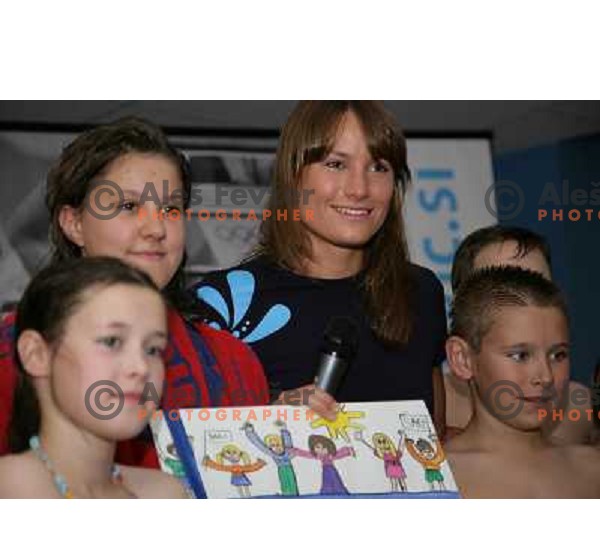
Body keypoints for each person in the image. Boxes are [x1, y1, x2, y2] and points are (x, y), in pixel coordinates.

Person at [0, 117, 269, 468]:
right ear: (74, 223)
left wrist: (288, 430)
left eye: (171, 210)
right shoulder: (16, 350)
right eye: (128, 206)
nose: (156, 228)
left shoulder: (233, 362)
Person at [194, 101, 447, 434]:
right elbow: (195, 449)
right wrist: (269, 418)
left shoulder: (421, 292)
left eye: (379, 167)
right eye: (336, 164)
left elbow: (434, 441)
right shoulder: (224, 302)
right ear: (292, 175)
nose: (359, 189)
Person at [0, 257, 187, 498]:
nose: (141, 367)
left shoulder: (165, 493)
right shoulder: (11, 488)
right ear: (36, 354)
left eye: (153, 349)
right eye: (111, 341)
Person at [445, 266, 600, 498]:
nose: (546, 376)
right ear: (463, 359)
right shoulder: (435, 478)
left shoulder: (591, 470)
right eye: (520, 355)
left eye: (558, 355)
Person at [445, 225, 593, 445]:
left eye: (537, 285)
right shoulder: (431, 405)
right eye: (501, 288)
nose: (524, 299)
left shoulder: (579, 408)